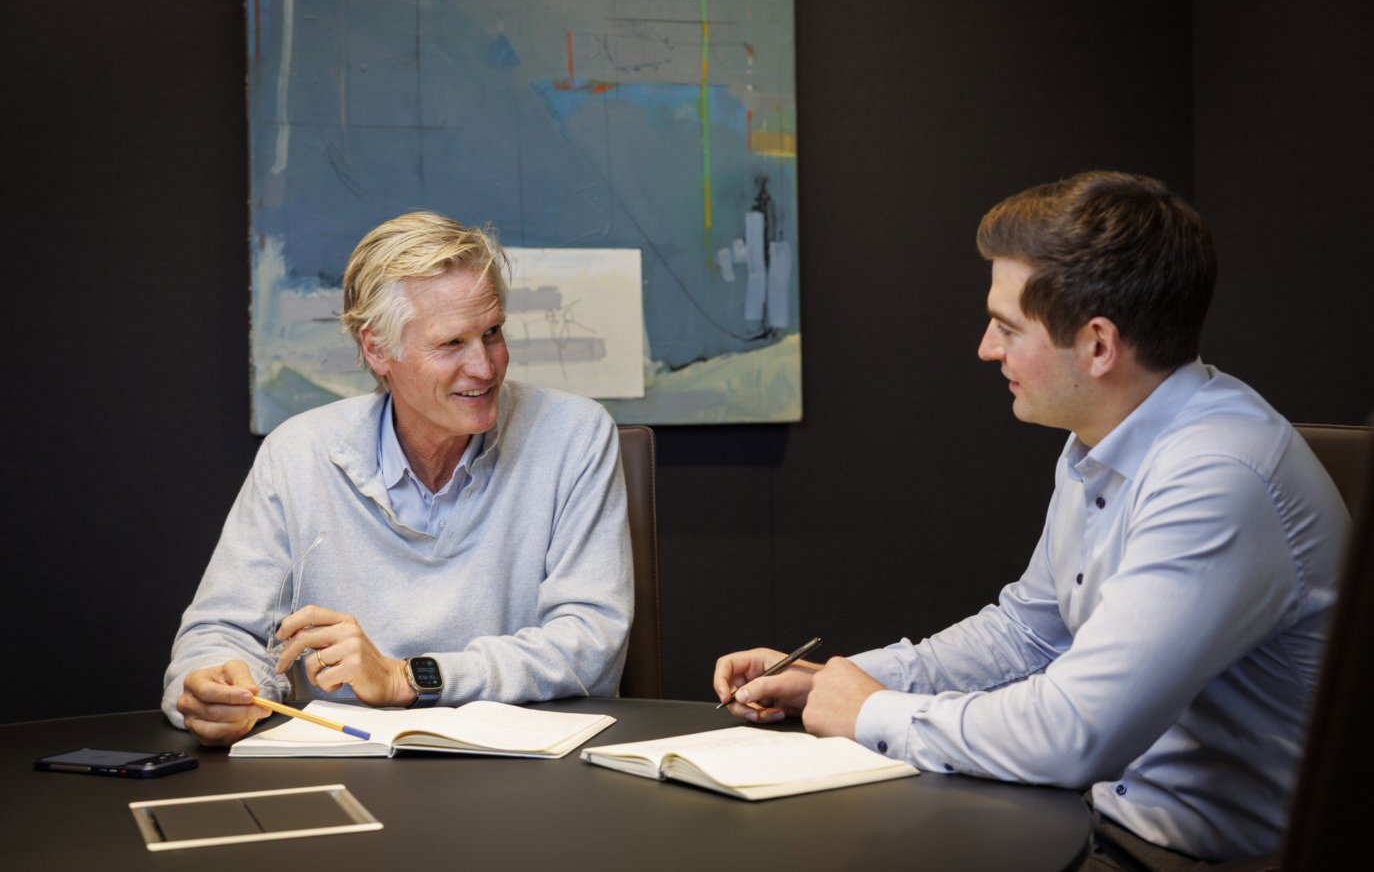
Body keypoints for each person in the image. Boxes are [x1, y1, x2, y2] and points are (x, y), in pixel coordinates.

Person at [713, 172, 1348, 869]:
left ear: (1099, 345)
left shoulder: (1217, 476)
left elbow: (1074, 733)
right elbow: (1026, 636)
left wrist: (871, 713)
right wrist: (841, 679)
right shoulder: (1100, 438)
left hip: (1198, 858)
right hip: (1103, 821)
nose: (988, 348)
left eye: (1008, 326)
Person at [164, 212, 632, 746]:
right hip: (343, 764)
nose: (485, 367)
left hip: (527, 778)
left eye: (493, 333)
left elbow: (591, 646)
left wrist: (405, 678)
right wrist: (217, 690)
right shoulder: (298, 455)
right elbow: (218, 632)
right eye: (451, 343)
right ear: (377, 349)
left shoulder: (574, 435)